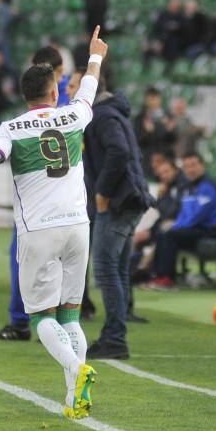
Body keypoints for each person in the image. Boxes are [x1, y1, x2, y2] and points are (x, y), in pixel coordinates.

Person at [0, 26, 108, 419]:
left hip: (39, 229)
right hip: (78, 226)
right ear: (54, 91)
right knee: (70, 312)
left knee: (43, 318)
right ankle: (74, 397)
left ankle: (73, 368)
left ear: (24, 96)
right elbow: (89, 88)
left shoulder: (10, 128)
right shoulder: (72, 115)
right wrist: (95, 54)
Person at [0, 46, 71, 342]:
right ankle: (46, 322)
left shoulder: (56, 107)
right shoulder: (73, 109)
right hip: (67, 203)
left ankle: (26, 321)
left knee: (24, 255)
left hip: (42, 205)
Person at [83, 64, 154, 356]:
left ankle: (115, 338)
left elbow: (120, 151)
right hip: (132, 198)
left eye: (75, 86)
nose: (71, 92)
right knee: (118, 269)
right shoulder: (114, 112)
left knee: (106, 269)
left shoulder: (102, 115)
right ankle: (116, 333)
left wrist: (103, 189)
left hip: (119, 201)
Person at [144, 152, 216, 289]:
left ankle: (167, 279)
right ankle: (157, 276)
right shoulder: (189, 187)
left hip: (210, 229)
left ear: (202, 166)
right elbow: (184, 213)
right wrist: (175, 224)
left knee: (169, 234)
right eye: (187, 166)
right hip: (195, 228)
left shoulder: (207, 186)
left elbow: (197, 216)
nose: (191, 170)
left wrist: (175, 225)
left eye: (194, 165)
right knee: (162, 231)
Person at [134, 87, 176, 180]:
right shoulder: (140, 118)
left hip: (165, 159)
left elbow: (173, 139)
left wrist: (170, 130)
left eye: (155, 98)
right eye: (150, 98)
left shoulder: (168, 116)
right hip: (148, 160)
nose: (153, 101)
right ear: (146, 100)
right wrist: (148, 132)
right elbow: (137, 140)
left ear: (160, 99)